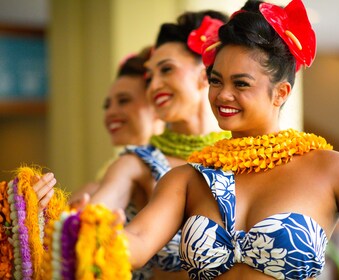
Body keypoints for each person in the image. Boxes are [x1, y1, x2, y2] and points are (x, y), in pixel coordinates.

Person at [116, 0, 339, 279]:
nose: (223, 94)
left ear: (281, 92)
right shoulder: (186, 179)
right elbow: (138, 242)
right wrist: (81, 232)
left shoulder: (332, 170)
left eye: (241, 83)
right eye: (216, 80)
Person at [85, 10, 230, 280]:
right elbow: (93, 216)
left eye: (166, 69)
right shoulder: (137, 163)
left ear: (205, 75)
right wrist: (75, 223)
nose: (154, 86)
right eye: (150, 77)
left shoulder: (250, 157)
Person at [69, 46, 164, 204]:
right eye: (107, 105)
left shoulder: (177, 169)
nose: (110, 113)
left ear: (155, 103)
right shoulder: (112, 170)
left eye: (124, 101)